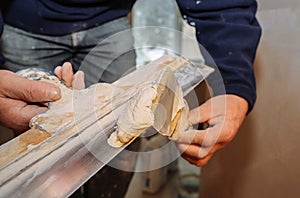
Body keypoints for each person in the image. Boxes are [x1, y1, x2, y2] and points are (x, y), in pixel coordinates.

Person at [0, 0, 261, 197]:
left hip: (109, 21)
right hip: (23, 22)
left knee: (118, 148)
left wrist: (234, 85)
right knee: (39, 152)